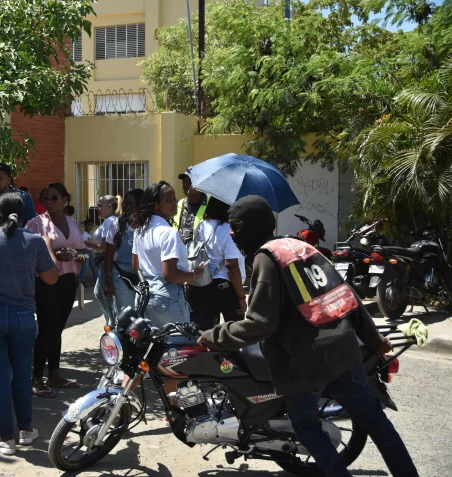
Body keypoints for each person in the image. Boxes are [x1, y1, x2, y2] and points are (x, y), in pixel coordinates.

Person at [197, 195, 418, 477]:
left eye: (236, 227)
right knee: (376, 421)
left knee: (306, 427)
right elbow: (348, 298)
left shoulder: (267, 258)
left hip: (306, 360)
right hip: (345, 350)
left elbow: (260, 325)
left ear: (252, 226)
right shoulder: (299, 246)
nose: (231, 233)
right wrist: (374, 342)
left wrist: (215, 335)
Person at [0, 192, 60, 455]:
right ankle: (27, 430)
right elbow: (51, 278)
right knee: (22, 375)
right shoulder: (35, 241)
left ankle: (6, 438)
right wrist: (46, 246)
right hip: (23, 317)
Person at [25, 183, 87, 397]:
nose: (49, 202)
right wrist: (55, 255)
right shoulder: (36, 223)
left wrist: (76, 254)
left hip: (68, 280)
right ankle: (36, 378)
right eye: (46, 198)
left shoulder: (70, 221)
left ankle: (55, 374)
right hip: (47, 282)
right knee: (47, 330)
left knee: (57, 329)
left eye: (54, 198)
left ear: (64, 199)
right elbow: (29, 253)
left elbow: (79, 246)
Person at [131, 181, 204, 328]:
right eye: (168, 200)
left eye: (174, 199)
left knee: (155, 347)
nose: (175, 203)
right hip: (167, 297)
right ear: (156, 205)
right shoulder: (168, 233)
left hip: (144, 296)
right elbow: (170, 275)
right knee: (179, 345)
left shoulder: (140, 230)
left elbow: (135, 266)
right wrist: (194, 275)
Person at [186, 197, 247, 330]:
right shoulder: (227, 230)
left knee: (207, 332)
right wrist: (241, 297)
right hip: (225, 287)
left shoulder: (201, 225)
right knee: (235, 331)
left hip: (203, 283)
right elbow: (231, 266)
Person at [102, 188, 144, 323]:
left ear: (141, 205)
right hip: (121, 276)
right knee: (127, 316)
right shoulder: (117, 225)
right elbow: (108, 254)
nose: (128, 207)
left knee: (143, 315)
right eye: (126, 204)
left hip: (144, 278)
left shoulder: (148, 225)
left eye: (132, 204)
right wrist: (109, 281)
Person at [89, 195, 121, 319]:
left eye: (100, 205)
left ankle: (112, 323)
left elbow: (104, 247)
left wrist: (84, 243)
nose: (97, 208)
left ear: (109, 207)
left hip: (104, 260)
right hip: (102, 261)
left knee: (105, 295)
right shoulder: (108, 221)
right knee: (99, 293)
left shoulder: (109, 222)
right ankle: (110, 321)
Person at [174, 171, 207, 244]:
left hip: (200, 252)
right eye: (183, 181)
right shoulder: (179, 204)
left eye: (189, 182)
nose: (185, 185)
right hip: (178, 251)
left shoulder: (209, 206)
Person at [79, 218, 98, 287]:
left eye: (92, 225)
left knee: (94, 267)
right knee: (85, 267)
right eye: (89, 225)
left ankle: (97, 281)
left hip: (89, 252)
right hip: (86, 252)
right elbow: (83, 245)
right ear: (85, 226)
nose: (90, 227)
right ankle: (81, 281)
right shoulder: (84, 235)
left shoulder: (88, 234)